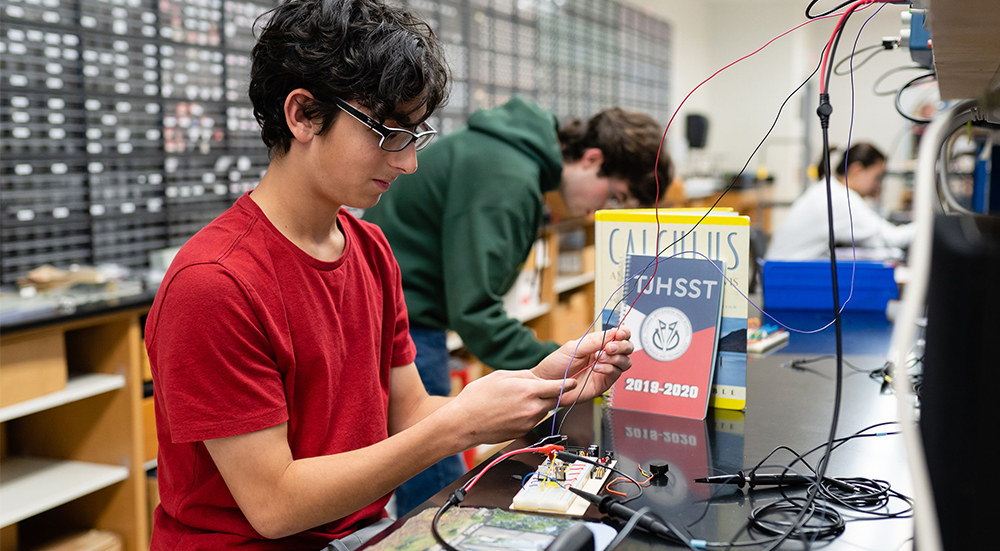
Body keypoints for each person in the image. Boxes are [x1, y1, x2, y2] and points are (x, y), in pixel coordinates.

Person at [144, 1, 634, 549]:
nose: (408, 163)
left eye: (414, 135)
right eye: (388, 132)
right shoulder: (214, 284)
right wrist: (457, 426)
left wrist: (546, 386)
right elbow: (274, 505)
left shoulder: (371, 249)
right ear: (303, 114)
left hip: (362, 536)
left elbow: (410, 412)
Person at [362, 97, 672, 514]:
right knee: (437, 489)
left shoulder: (512, 160)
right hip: (405, 325)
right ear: (592, 159)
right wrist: (566, 371)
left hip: (405, 316)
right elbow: (475, 313)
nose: (601, 211)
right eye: (614, 197)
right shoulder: (507, 177)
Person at [765, 143, 915, 261]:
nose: (878, 185)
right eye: (877, 177)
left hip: (784, 273)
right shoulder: (840, 200)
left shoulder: (831, 189)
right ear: (856, 170)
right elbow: (892, 239)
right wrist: (932, 222)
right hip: (785, 280)